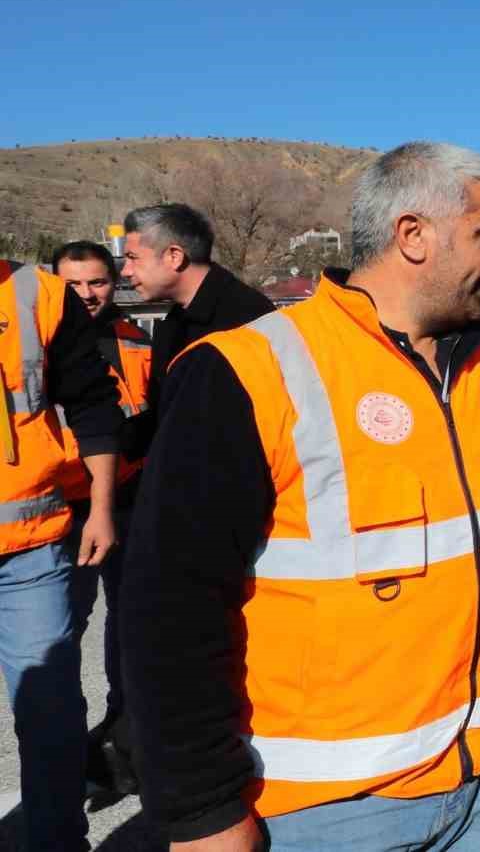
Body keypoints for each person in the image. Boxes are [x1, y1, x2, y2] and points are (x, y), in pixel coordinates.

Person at [120, 142, 480, 851]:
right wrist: (202, 808)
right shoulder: (252, 369)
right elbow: (168, 608)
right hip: (327, 811)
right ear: (412, 235)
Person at [0, 257, 121, 851]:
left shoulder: (39, 296)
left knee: (49, 716)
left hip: (31, 551)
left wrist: (101, 506)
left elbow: (95, 404)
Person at [51, 240, 151, 793]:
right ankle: (59, 745)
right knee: (61, 628)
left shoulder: (137, 339)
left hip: (129, 500)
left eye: (98, 283)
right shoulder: (36, 342)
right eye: (73, 284)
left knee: (129, 622)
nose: (87, 295)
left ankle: (122, 732)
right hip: (61, 507)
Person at [119, 203, 274, 452]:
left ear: (174, 256)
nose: (125, 271)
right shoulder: (175, 323)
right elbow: (167, 420)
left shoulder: (249, 321)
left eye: (133, 258)